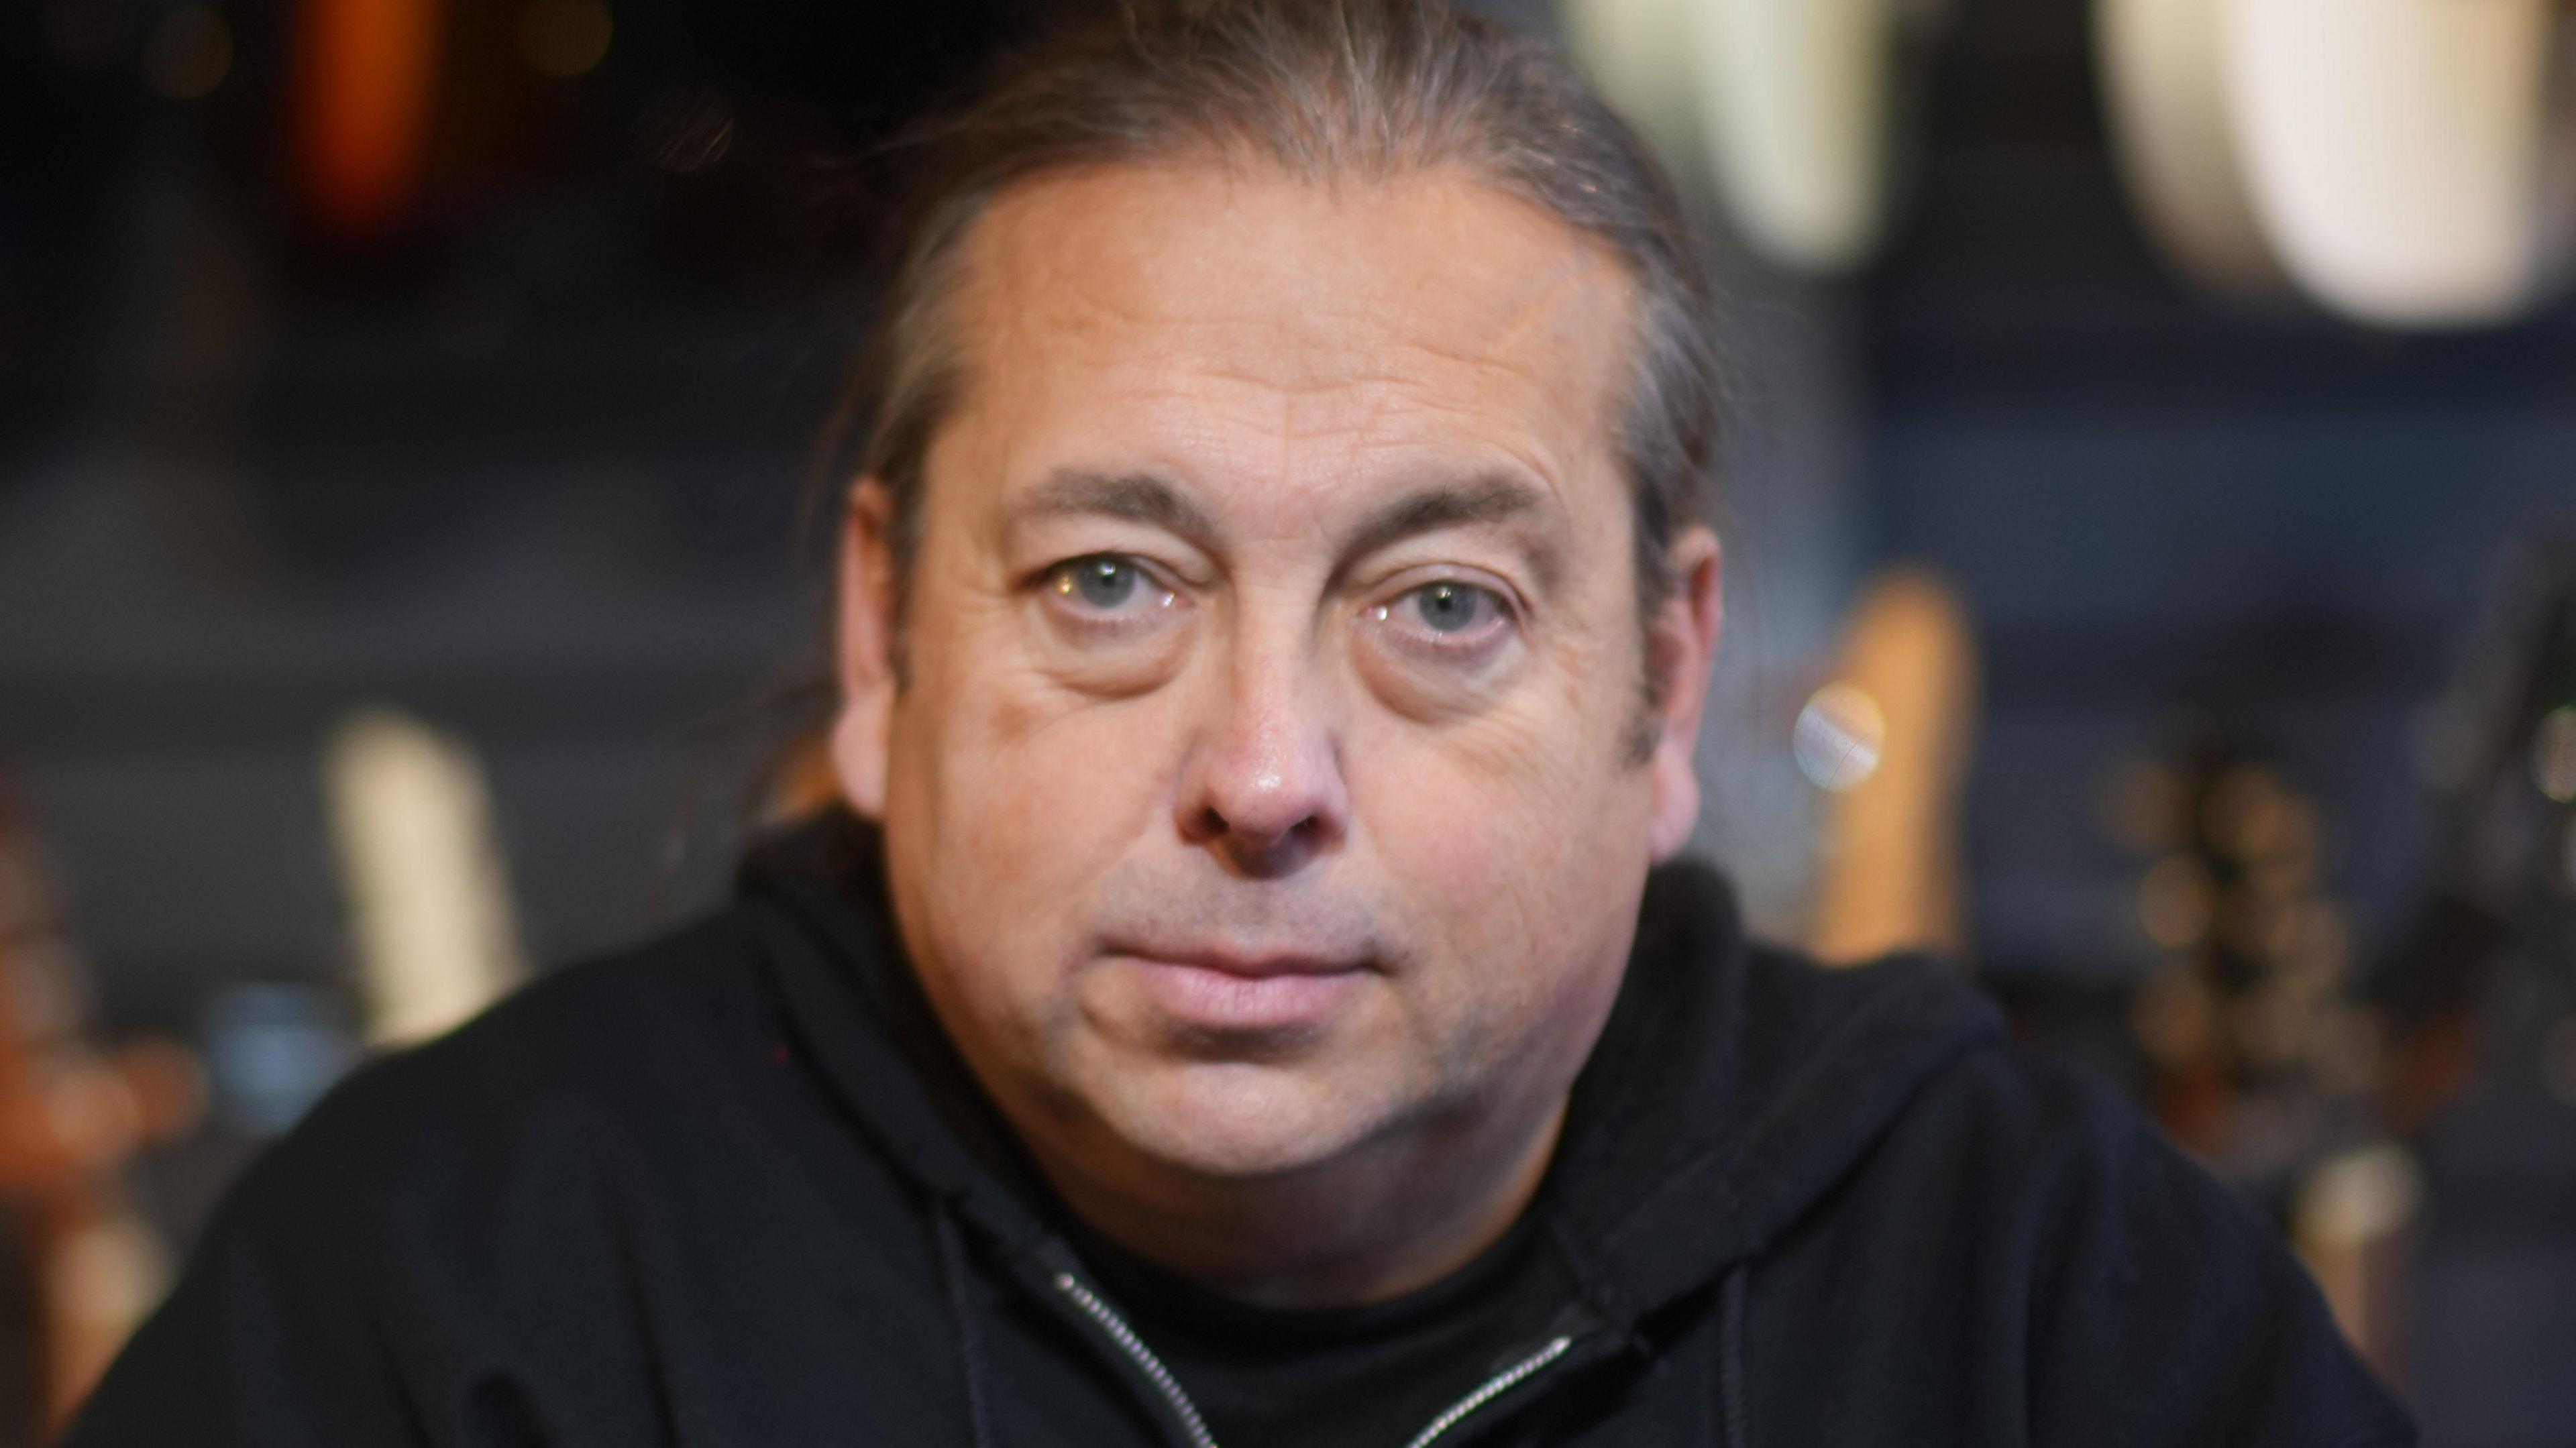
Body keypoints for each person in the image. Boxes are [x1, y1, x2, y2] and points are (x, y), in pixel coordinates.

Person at [70, 2, 2414, 1444]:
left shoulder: (2043, 1308)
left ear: (1669, 684)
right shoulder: (445, 1292)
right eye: (1111, 582)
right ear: (885, 644)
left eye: (1442, 606)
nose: (1267, 772)